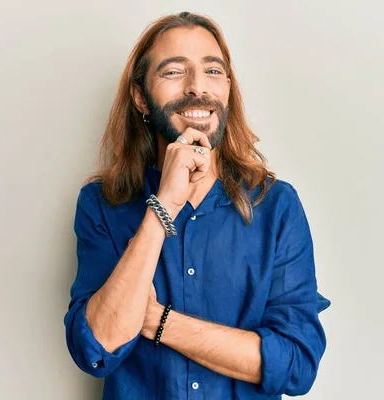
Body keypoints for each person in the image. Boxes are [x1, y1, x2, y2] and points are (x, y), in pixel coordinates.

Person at [64, 11, 331, 400]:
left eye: (213, 71)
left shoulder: (276, 206)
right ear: (141, 96)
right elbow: (95, 348)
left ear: (227, 88)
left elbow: (295, 364)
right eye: (173, 72)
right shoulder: (102, 204)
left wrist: (158, 321)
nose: (197, 87)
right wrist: (164, 206)